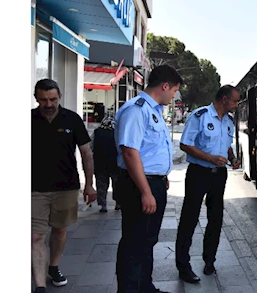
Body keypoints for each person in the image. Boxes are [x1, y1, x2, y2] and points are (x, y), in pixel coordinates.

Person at [114, 65, 182, 293]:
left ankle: (145, 287)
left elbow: (149, 151)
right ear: (164, 86)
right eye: (174, 91)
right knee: (134, 243)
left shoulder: (154, 111)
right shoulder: (137, 110)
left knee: (148, 240)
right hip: (138, 185)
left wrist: (161, 177)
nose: (174, 96)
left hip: (153, 182)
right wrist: (145, 191)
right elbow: (130, 152)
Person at [31, 78, 97, 293]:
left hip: (66, 187)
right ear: (36, 99)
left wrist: (90, 184)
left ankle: (54, 266)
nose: (48, 105)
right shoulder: (28, 119)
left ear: (59, 96)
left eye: (52, 99)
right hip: (34, 189)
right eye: (43, 100)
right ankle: (40, 285)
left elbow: (86, 153)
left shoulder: (73, 119)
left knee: (59, 230)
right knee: (36, 236)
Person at [175, 85, 241, 282]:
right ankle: (183, 265)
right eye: (235, 101)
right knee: (190, 217)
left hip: (219, 175)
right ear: (223, 99)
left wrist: (233, 158)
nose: (236, 105)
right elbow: (185, 144)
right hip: (198, 173)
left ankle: (209, 260)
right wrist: (209, 158)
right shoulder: (200, 116)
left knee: (216, 218)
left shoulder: (228, 121)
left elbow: (226, 145)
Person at [92, 115, 121, 212]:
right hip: (115, 163)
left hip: (100, 163)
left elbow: (90, 146)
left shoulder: (97, 133)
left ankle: (102, 204)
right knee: (117, 184)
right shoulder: (118, 133)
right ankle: (118, 203)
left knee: (101, 184)